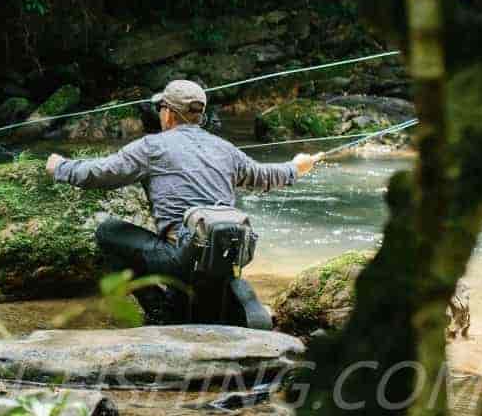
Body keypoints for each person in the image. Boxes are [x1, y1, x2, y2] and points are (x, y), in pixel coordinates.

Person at [44, 80, 319, 322]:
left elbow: (100, 174)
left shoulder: (151, 147)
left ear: (167, 112)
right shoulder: (225, 148)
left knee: (109, 231)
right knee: (199, 257)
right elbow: (265, 176)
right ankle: (230, 288)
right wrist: (296, 167)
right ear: (200, 115)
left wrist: (60, 167)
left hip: (181, 259)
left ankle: (161, 312)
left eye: (161, 109)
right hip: (226, 256)